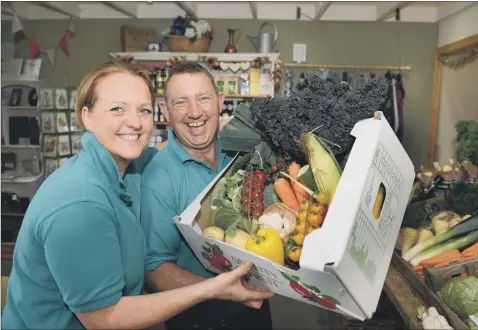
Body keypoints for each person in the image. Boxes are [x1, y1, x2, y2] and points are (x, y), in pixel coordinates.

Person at [1, 58, 273, 330]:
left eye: (143, 110)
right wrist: (213, 288)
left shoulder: (130, 166)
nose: (133, 122)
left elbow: (167, 150)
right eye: (117, 109)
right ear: (87, 116)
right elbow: (103, 318)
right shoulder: (80, 204)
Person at [140, 61, 274, 329]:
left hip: (256, 306)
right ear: (165, 111)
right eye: (181, 103)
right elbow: (153, 271)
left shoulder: (240, 148)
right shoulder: (159, 177)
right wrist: (220, 289)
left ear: (219, 101)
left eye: (203, 98)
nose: (194, 112)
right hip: (198, 317)